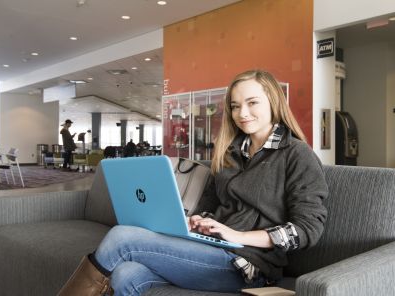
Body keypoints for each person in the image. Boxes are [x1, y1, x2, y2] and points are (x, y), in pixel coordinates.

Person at [58, 70, 328, 296]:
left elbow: (308, 229)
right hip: (211, 248)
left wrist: (238, 236)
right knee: (127, 274)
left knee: (122, 236)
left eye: (252, 102)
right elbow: (212, 208)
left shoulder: (296, 153)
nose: (242, 112)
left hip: (250, 265)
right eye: (235, 106)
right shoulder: (229, 153)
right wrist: (198, 222)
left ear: (273, 102)